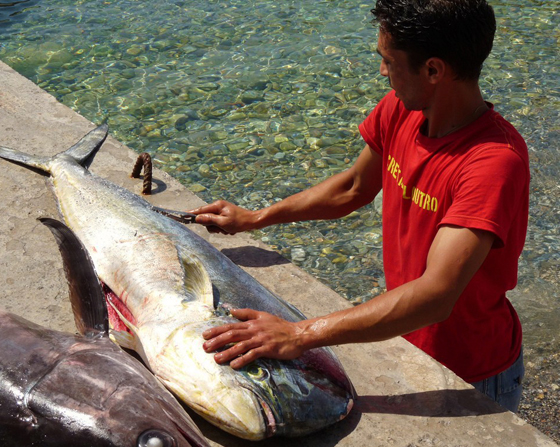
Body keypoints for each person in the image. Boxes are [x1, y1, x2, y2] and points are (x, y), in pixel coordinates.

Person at [190, 0, 529, 413]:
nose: (382, 72)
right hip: (408, 340)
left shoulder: (493, 162)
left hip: (471, 371)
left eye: (388, 60)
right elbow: (353, 187)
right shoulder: (401, 110)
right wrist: (255, 219)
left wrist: (300, 334)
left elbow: (437, 294)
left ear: (434, 70)